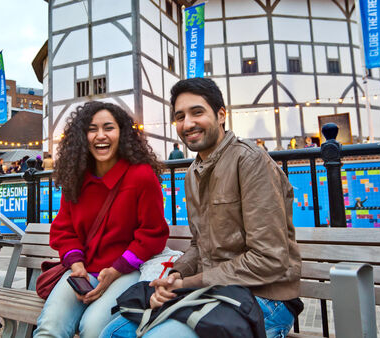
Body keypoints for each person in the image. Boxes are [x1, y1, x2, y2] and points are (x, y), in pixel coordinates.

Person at [101, 78, 302, 338]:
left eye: (197, 112)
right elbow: (199, 245)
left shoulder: (250, 161)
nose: (187, 124)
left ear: (220, 115)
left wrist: (187, 283)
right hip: (216, 292)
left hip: (266, 298)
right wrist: (176, 274)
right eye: (179, 116)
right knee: (112, 333)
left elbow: (269, 259)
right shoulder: (193, 172)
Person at [34, 101, 169, 338]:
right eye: (92, 129)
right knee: (49, 328)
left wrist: (116, 270)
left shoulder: (142, 176)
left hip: (125, 270)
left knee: (93, 328)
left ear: (122, 133)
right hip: (82, 271)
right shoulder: (75, 176)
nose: (100, 136)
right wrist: (76, 266)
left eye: (109, 127)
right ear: (82, 136)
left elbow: (152, 233)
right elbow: (64, 230)